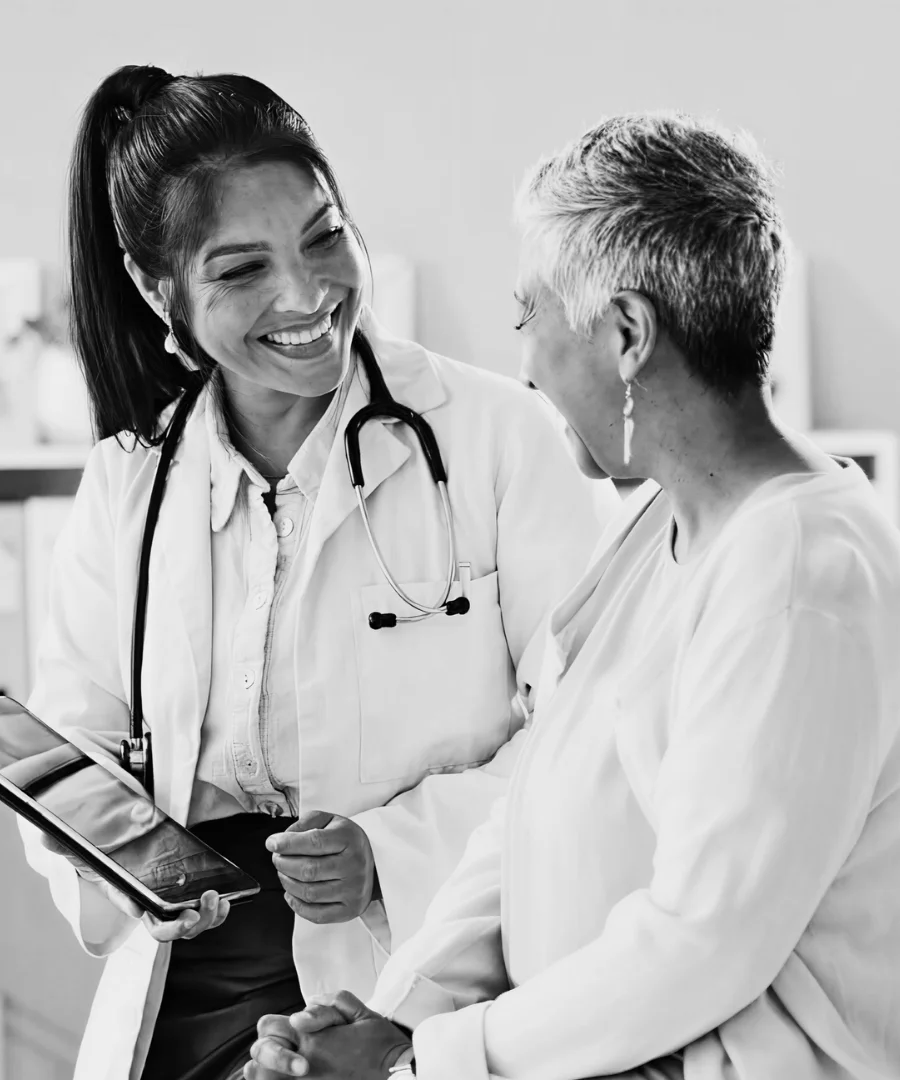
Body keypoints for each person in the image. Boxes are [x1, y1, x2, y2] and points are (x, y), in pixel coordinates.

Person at [248, 113, 900, 1080]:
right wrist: (390, 1024)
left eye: (532, 317)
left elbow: (703, 943)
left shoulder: (804, 571)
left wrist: (427, 1061)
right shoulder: (657, 528)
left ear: (627, 333)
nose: (524, 362)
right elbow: (524, 823)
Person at [18, 66, 619, 1080]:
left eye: (324, 238)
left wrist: (388, 850)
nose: (306, 296)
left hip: (415, 968)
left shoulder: (496, 440)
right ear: (156, 286)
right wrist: (136, 873)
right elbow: (76, 743)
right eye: (242, 269)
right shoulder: (132, 481)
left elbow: (599, 735)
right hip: (184, 997)